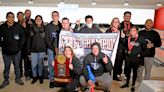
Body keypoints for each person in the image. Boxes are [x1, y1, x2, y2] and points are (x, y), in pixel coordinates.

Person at [0, 12, 25, 89]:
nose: (11, 18)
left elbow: (22, 37)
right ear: (6, 18)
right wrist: (2, 45)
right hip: (6, 52)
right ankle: (6, 80)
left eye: (12, 17)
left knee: (17, 66)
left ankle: (17, 78)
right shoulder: (2, 27)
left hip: (16, 51)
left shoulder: (18, 26)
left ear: (14, 18)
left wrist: (19, 47)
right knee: (7, 67)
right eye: (9, 17)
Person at [120, 26, 146, 91]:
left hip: (136, 59)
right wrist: (126, 50)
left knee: (135, 72)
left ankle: (133, 85)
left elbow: (145, 49)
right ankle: (127, 83)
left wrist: (141, 54)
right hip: (128, 58)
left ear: (137, 31)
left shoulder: (141, 39)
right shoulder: (127, 39)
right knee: (127, 71)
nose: (132, 32)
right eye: (131, 31)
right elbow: (124, 47)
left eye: (133, 31)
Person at [45, 11, 62, 88]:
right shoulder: (48, 26)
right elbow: (47, 38)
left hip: (60, 49)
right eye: (53, 15)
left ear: (58, 16)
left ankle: (59, 79)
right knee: (51, 64)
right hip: (51, 49)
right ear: (52, 17)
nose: (55, 17)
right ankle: (51, 80)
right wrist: (52, 47)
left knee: (60, 65)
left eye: (56, 15)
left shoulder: (61, 25)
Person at [30, 15, 46, 84]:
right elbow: (29, 39)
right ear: (35, 20)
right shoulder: (32, 28)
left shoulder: (45, 28)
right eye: (37, 19)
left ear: (42, 20)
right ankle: (34, 77)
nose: (38, 20)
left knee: (40, 65)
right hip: (33, 50)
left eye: (40, 19)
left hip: (42, 49)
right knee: (33, 65)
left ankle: (40, 77)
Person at [17, 11, 31, 80]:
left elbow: (29, 34)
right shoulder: (15, 25)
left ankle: (27, 74)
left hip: (25, 46)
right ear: (17, 17)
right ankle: (20, 74)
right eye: (19, 16)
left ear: (23, 16)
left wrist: (25, 27)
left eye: (21, 15)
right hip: (18, 46)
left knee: (26, 62)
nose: (20, 17)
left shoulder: (27, 24)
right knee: (18, 61)